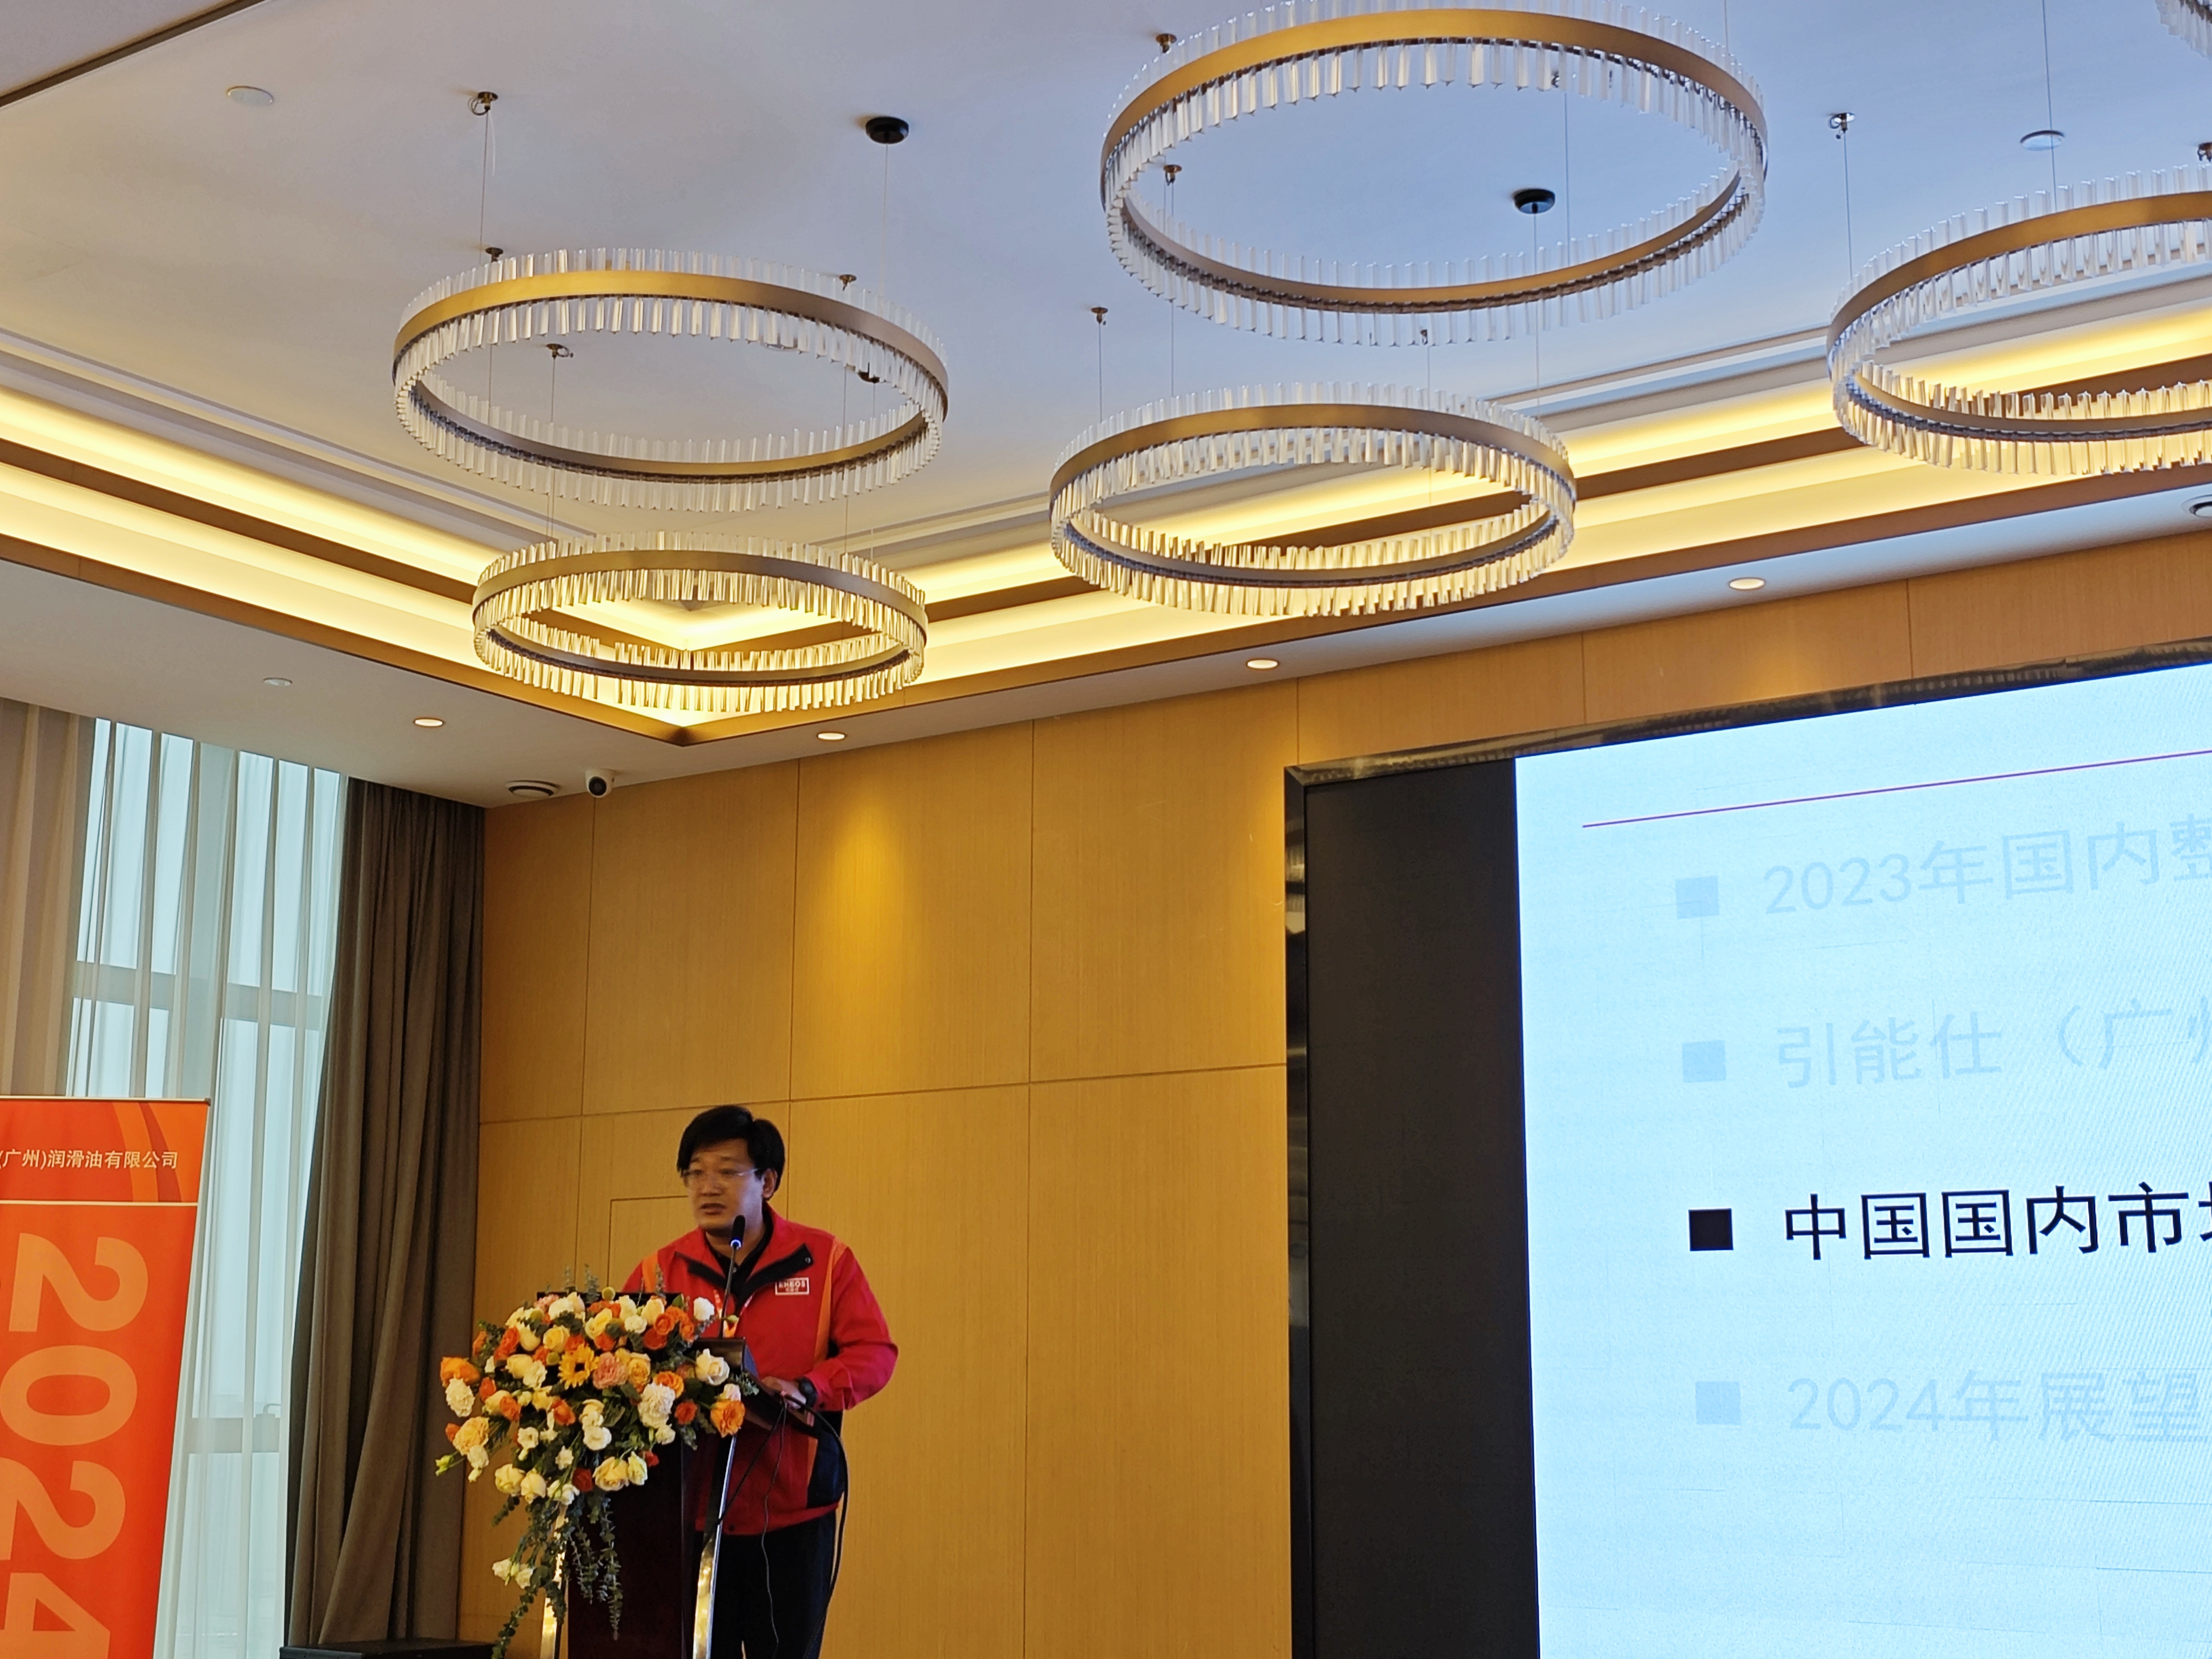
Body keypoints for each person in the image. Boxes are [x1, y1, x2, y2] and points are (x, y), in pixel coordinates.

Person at [624, 1104, 895, 1659]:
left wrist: (811, 1388)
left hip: (793, 1515)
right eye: (696, 1172)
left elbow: (875, 1353)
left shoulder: (825, 1262)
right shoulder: (658, 1273)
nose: (708, 1187)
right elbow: (623, 1367)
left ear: (767, 1182)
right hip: (692, 1517)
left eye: (727, 1171)